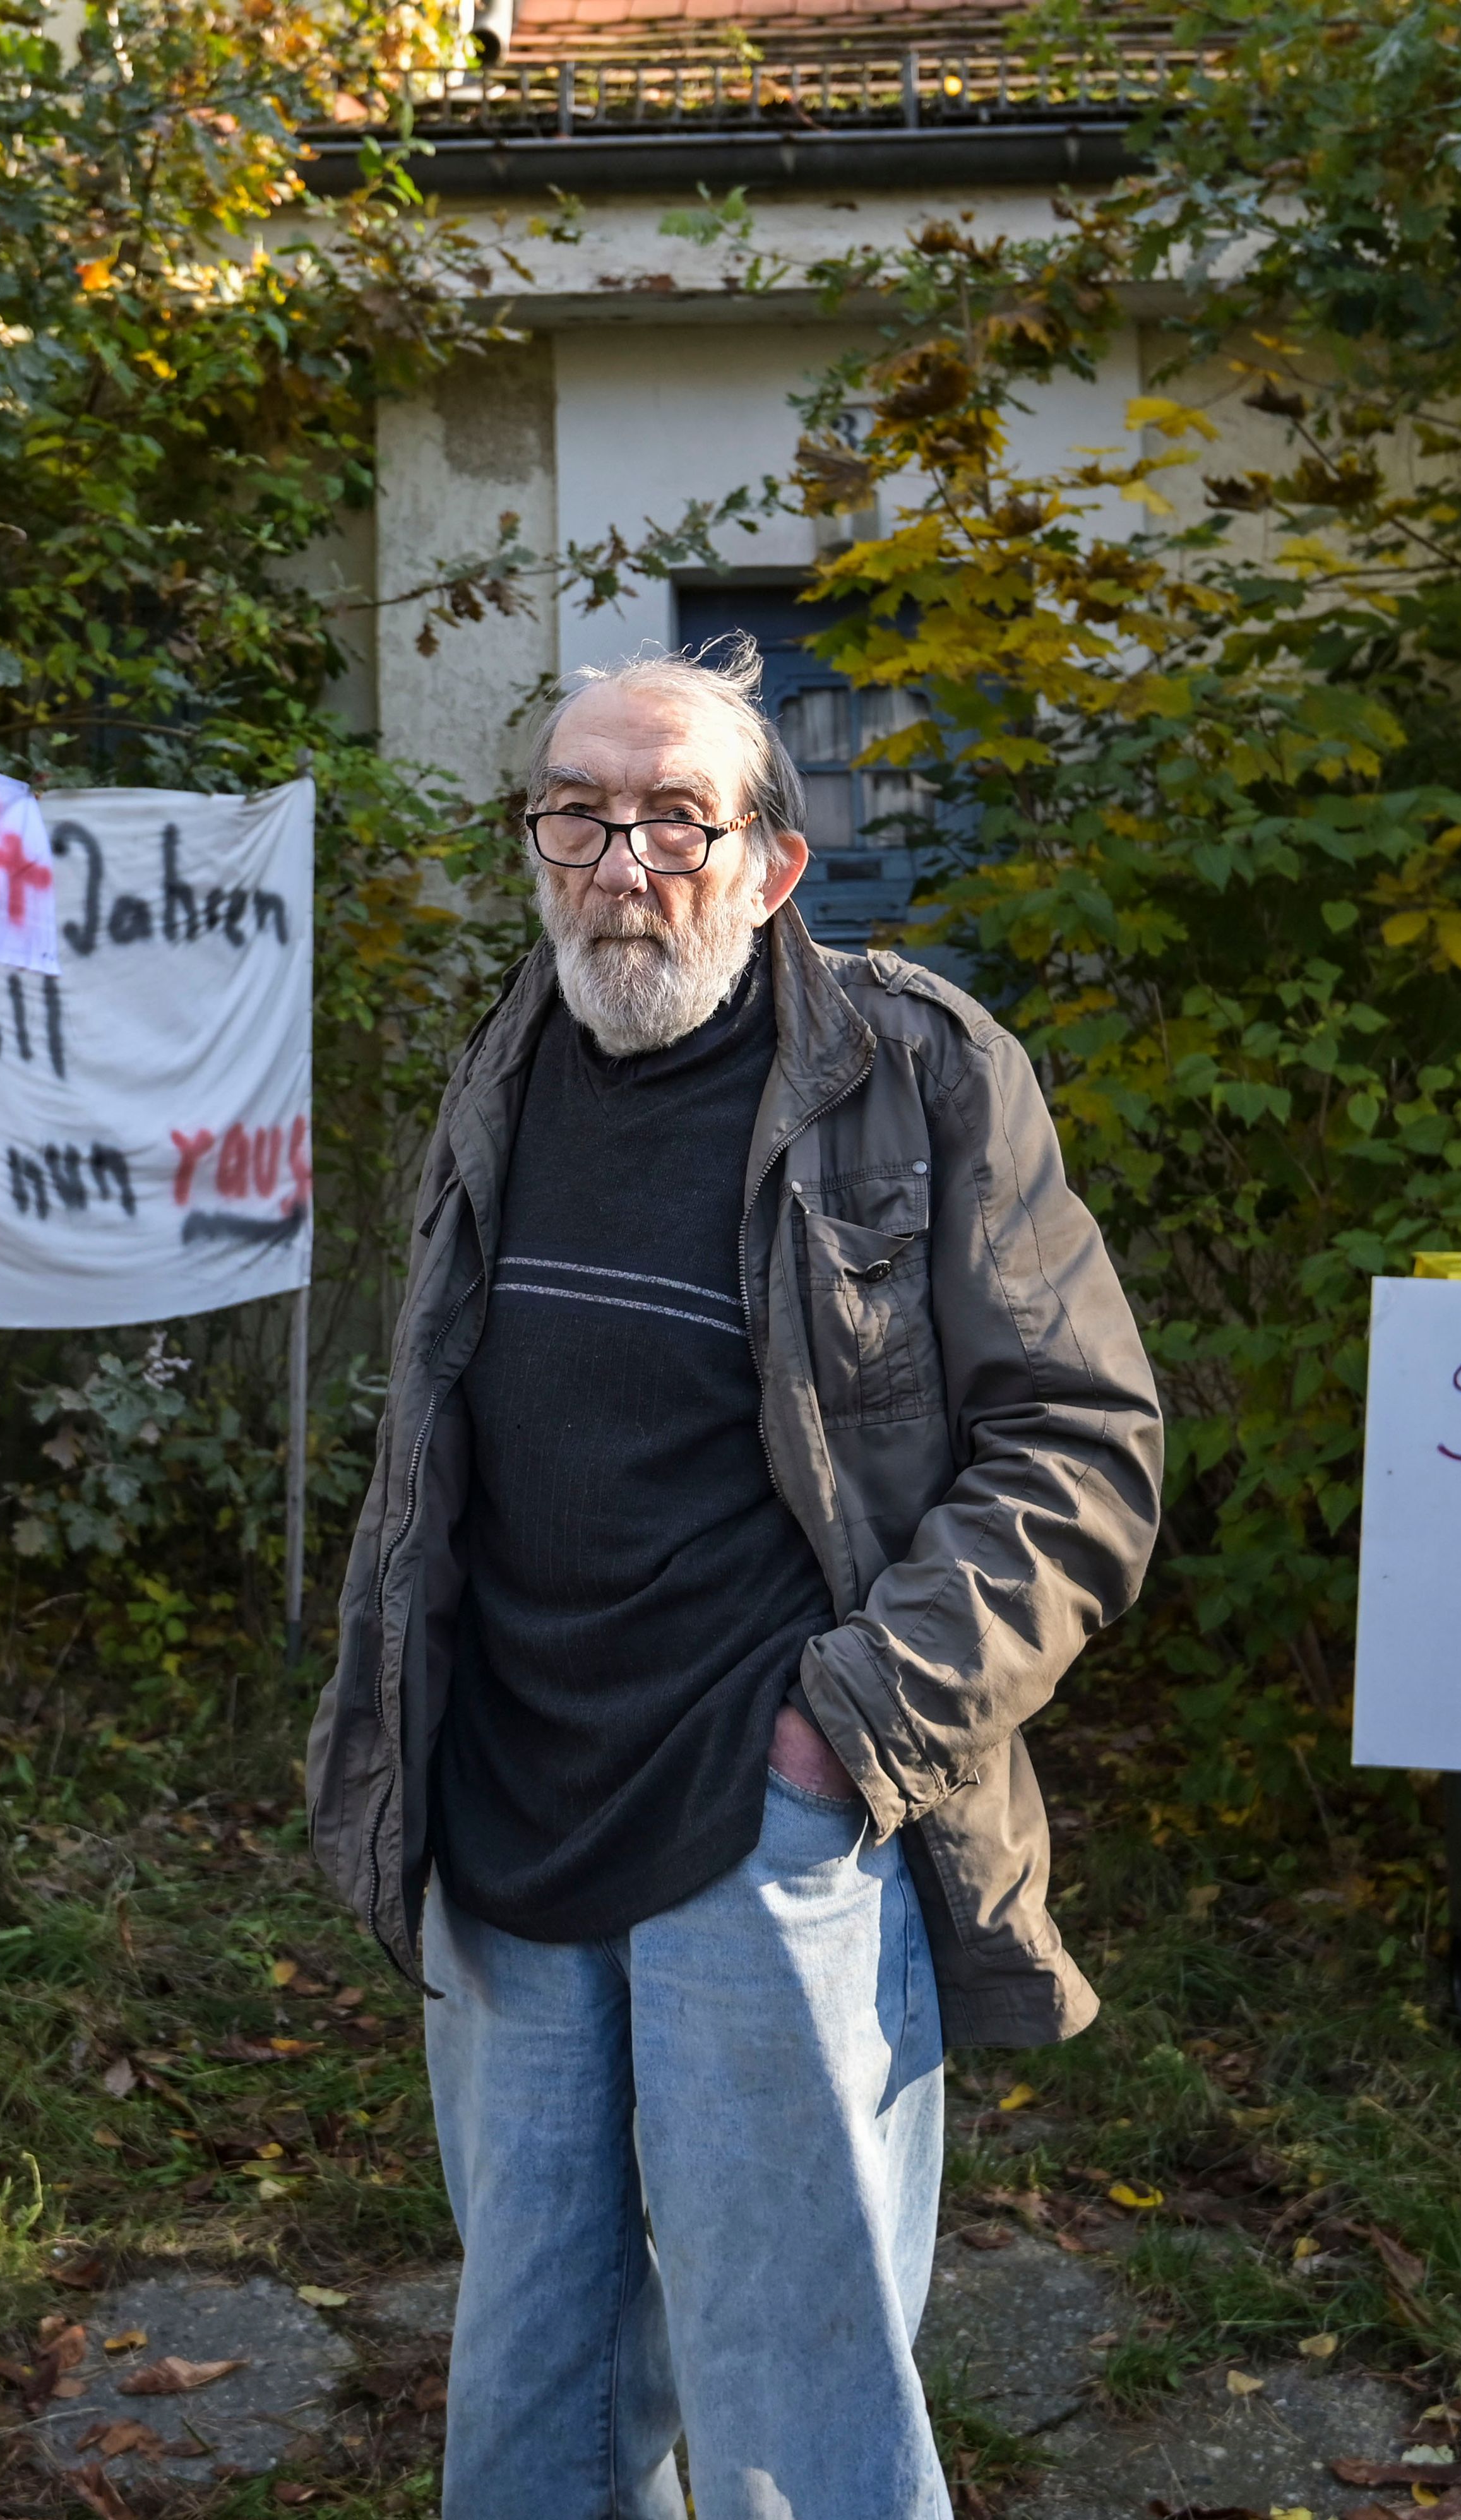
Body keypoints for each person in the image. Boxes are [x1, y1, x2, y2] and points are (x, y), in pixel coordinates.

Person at [304, 637, 1166, 2516]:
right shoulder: (508, 1063)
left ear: (774, 863)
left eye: (674, 819)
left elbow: (1083, 1455)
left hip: (770, 1821)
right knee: (534, 2373)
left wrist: (845, 1725)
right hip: (505, 1810)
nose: (621, 863)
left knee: (798, 2396)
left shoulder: (914, 1072)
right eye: (577, 816)